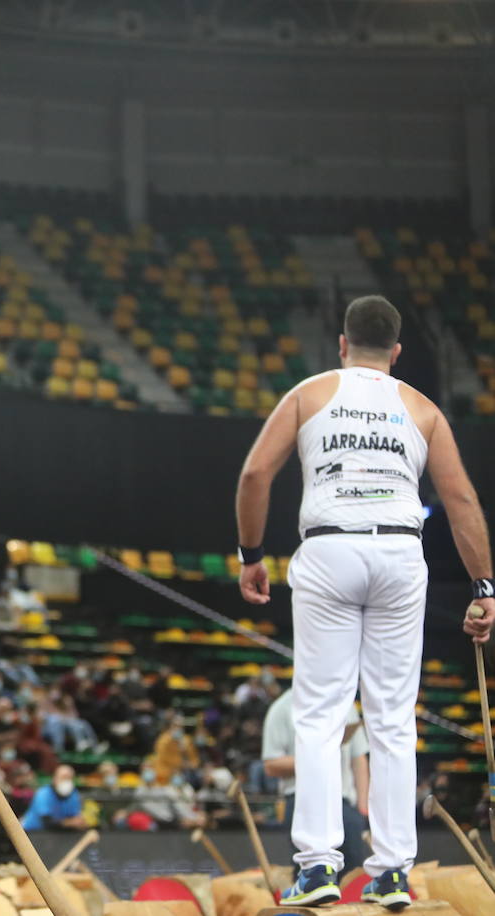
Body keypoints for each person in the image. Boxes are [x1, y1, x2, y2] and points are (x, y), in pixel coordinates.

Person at [236, 295, 495, 909]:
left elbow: (253, 476)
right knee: (392, 719)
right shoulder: (422, 409)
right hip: (401, 555)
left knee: (322, 715)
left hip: (329, 551)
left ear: (343, 344)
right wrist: (485, 586)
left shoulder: (309, 393)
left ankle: (320, 865)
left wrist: (251, 555)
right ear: (397, 352)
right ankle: (391, 872)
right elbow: (459, 502)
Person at [263, 688, 370, 876]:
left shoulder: (345, 704)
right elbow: (271, 764)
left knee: (353, 873)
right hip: (301, 800)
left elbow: (359, 758)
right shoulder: (282, 708)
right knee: (312, 873)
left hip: (344, 802)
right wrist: (315, 758)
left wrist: (363, 805)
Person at [20, 764, 88, 831]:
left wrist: (79, 823)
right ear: (54, 778)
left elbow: (75, 817)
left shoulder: (73, 795)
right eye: (63, 777)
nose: (66, 781)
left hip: (55, 834)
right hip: (32, 832)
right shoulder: (43, 793)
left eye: (69, 778)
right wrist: (69, 823)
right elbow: (47, 821)